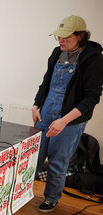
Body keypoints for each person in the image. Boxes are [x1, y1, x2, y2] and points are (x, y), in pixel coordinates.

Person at [32, 15, 102, 213]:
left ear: (80, 36)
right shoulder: (57, 52)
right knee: (33, 157)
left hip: (70, 119)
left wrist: (63, 121)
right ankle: (22, 191)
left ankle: (51, 198)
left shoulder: (93, 58)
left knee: (57, 161)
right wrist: (36, 105)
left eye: (66, 37)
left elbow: (91, 98)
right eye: (58, 37)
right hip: (46, 112)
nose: (61, 41)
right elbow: (46, 82)